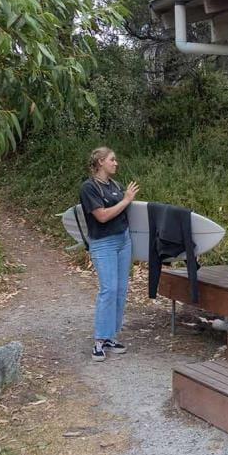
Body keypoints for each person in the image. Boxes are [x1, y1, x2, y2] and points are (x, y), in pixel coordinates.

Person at [78, 146, 140, 362]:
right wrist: (126, 200)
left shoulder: (115, 185)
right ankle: (99, 341)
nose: (116, 163)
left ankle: (111, 336)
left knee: (121, 289)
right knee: (109, 289)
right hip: (103, 243)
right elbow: (102, 216)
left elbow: (125, 213)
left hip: (123, 241)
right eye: (112, 160)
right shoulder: (89, 188)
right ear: (101, 161)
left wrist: (125, 199)